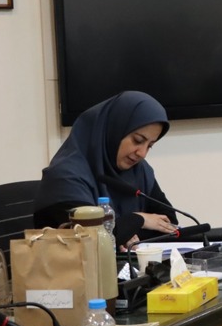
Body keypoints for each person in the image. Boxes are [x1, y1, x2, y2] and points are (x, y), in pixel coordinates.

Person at [34, 91, 178, 248]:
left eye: (149, 145)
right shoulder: (64, 177)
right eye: (137, 140)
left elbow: (168, 222)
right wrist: (138, 219)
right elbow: (90, 237)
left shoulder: (139, 171)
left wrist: (125, 233)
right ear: (114, 129)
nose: (142, 153)